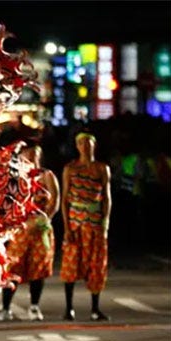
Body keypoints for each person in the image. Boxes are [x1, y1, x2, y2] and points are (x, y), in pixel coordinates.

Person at [0, 145, 60, 321]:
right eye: (28, 155)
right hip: (19, 230)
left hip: (40, 229)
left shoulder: (47, 175)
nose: (32, 159)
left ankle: (34, 306)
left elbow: (55, 200)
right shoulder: (17, 176)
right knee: (12, 267)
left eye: (35, 155)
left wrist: (44, 219)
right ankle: (5, 307)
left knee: (38, 267)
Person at [60, 133, 111, 321]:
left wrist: (105, 223)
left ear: (94, 145)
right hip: (75, 223)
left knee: (96, 265)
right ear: (77, 146)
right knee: (71, 265)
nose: (84, 147)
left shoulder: (101, 168)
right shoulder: (70, 169)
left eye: (88, 143)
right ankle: (69, 308)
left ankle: (95, 309)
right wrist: (66, 227)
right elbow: (65, 198)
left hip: (95, 223)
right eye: (81, 143)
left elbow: (106, 197)